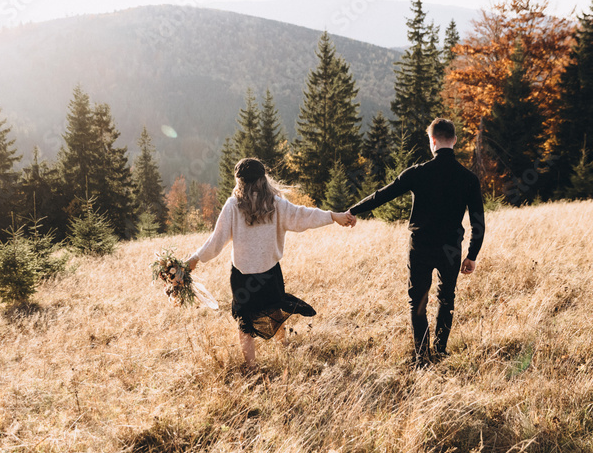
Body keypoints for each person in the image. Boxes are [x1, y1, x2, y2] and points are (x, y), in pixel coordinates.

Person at [185, 158, 356, 365]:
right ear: (263, 179)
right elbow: (303, 216)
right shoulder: (275, 204)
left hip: (242, 277)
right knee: (275, 308)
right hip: (269, 273)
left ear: (239, 182)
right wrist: (332, 216)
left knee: (244, 322)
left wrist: (195, 258)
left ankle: (251, 366)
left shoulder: (233, 205)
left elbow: (216, 241)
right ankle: (282, 349)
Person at [348, 118, 485, 365]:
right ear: (453, 140)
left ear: (432, 141)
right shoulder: (468, 178)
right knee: (447, 298)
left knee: (418, 300)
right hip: (451, 248)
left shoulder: (417, 173)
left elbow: (382, 195)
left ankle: (422, 356)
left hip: (420, 246)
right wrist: (472, 255)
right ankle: (440, 351)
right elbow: (478, 222)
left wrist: (353, 211)